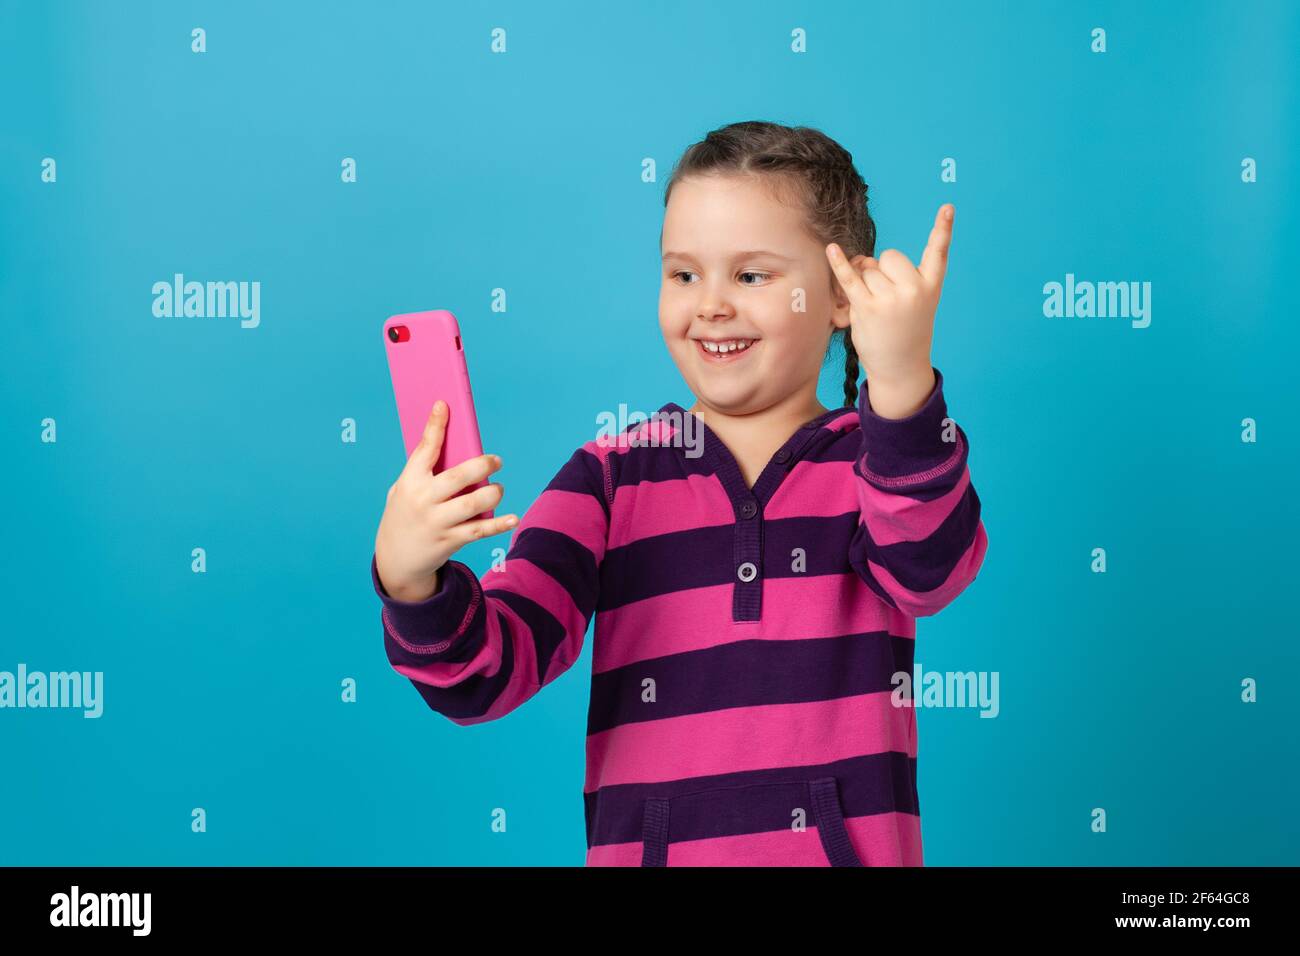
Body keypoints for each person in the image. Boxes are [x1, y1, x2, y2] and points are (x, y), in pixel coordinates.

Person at [372, 120, 989, 866]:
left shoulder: (881, 463)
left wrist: (901, 386)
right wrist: (411, 581)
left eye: (751, 275)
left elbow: (928, 569)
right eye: (683, 274)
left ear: (841, 296)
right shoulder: (608, 478)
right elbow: (488, 676)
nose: (711, 306)